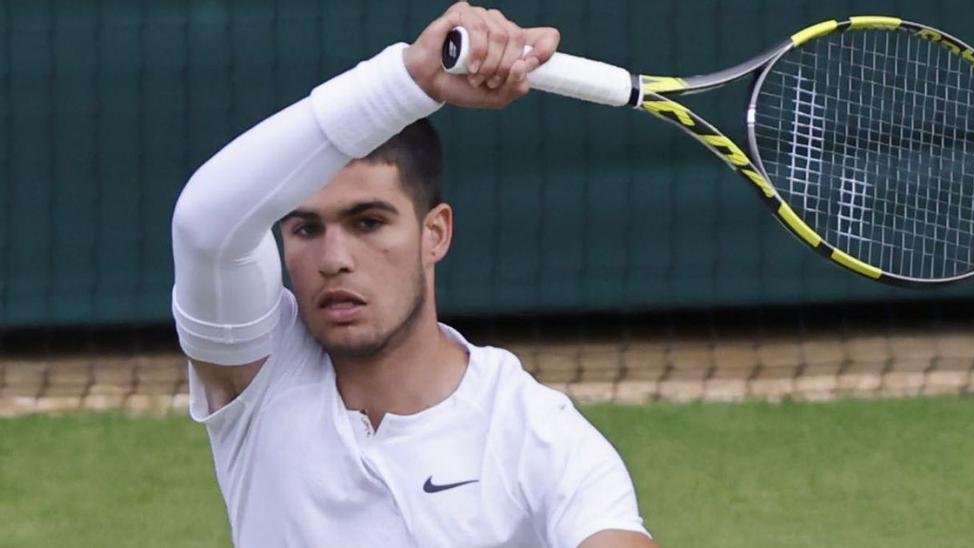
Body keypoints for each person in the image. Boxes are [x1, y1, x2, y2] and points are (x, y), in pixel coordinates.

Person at [170, 3, 655, 546]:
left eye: (369, 222)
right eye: (306, 230)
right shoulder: (260, 376)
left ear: (436, 233)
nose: (334, 259)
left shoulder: (533, 430)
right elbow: (203, 226)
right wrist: (412, 79)